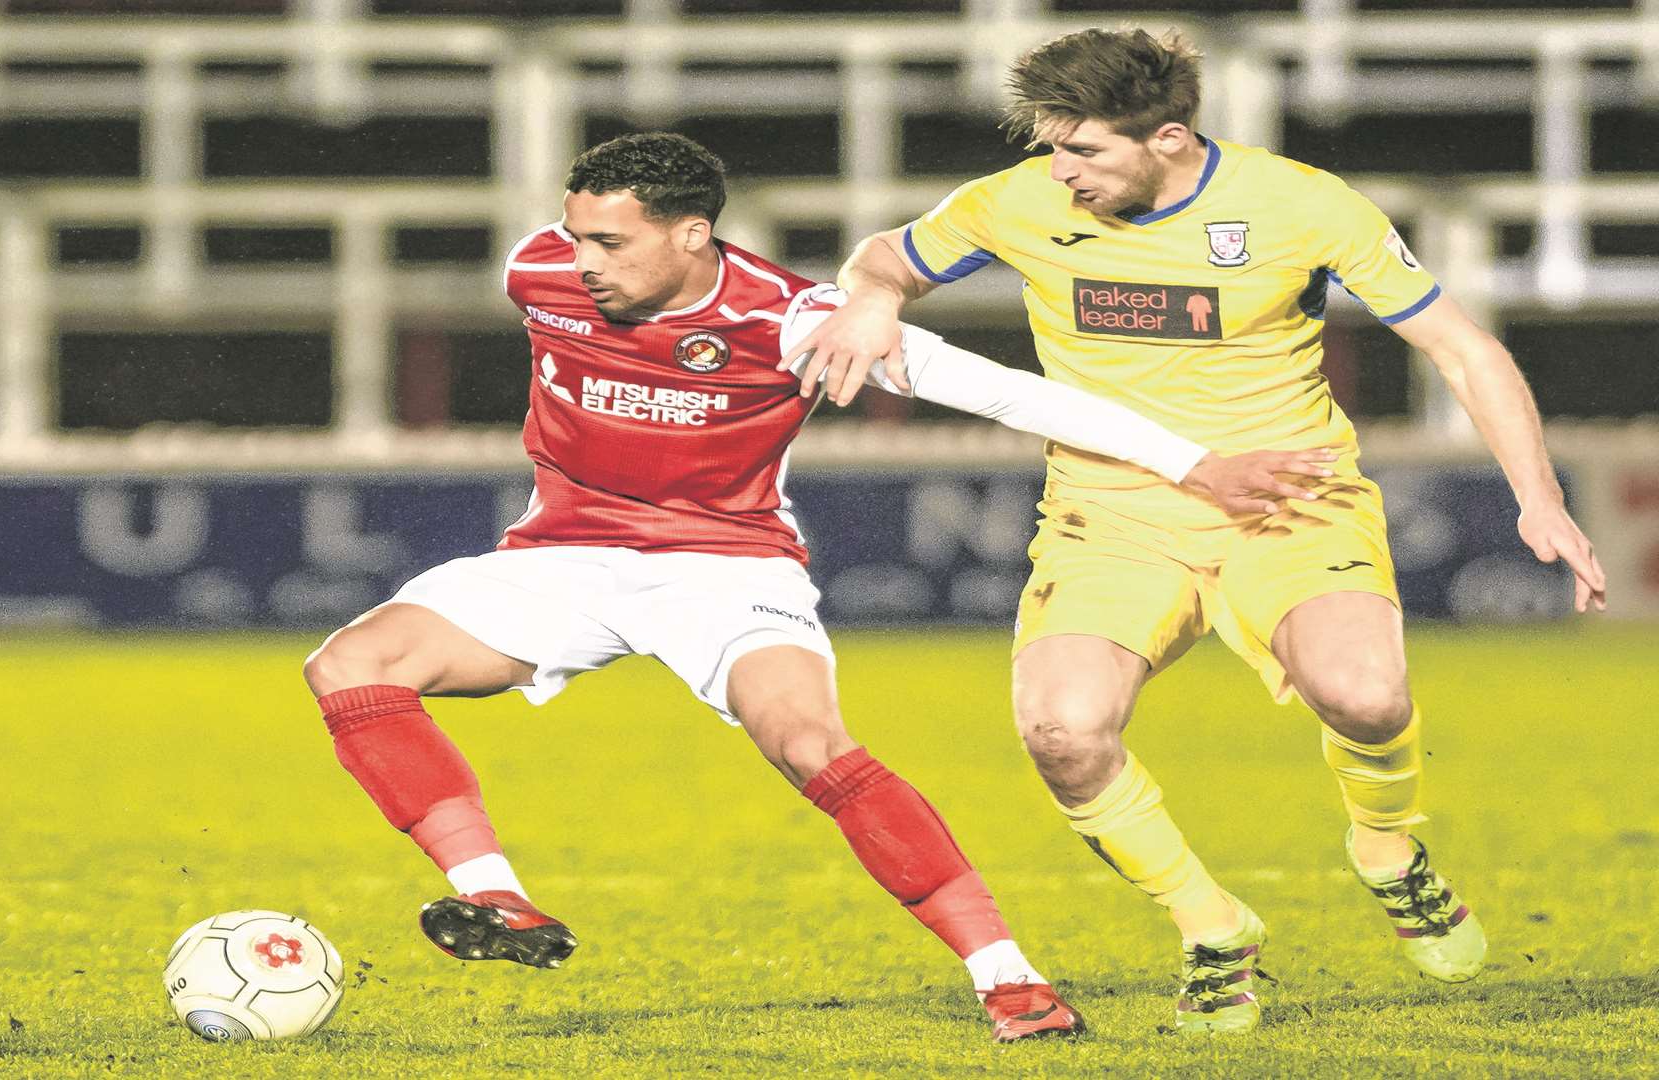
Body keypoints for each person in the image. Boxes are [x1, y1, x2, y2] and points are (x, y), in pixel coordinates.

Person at [304, 131, 1333, 1043]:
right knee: (351, 665)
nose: (582, 262)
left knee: (809, 744)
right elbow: (561, 271)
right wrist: (575, 260)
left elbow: (1004, 391)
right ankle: (499, 901)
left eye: (610, 243)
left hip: (725, 568)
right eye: (576, 237)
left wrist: (1196, 465)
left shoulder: (792, 323)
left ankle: (1007, 976)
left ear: (694, 234)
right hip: (561, 556)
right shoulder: (538, 272)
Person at [788, 28, 1609, 1034]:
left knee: (1364, 694)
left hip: (1290, 506)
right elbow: (885, 258)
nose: (1061, 172)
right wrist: (871, 300)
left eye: (1083, 151)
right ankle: (1212, 926)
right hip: (1112, 516)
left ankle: (1389, 850)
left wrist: (1539, 496)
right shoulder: (1021, 201)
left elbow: (1461, 347)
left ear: (1168, 137)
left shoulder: (1299, 205)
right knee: (1063, 734)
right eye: (1052, 148)